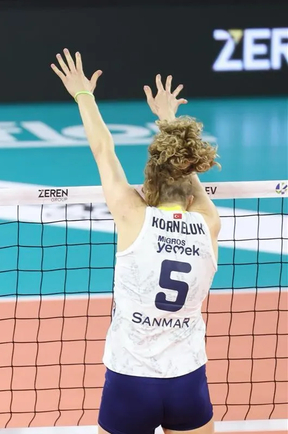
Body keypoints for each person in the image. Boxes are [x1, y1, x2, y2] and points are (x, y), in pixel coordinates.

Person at [50, 50, 221, 434]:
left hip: (130, 382)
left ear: (148, 187)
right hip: (187, 380)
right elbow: (188, 180)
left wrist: (83, 94)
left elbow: (103, 150)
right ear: (191, 195)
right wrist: (169, 120)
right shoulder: (209, 223)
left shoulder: (133, 215)